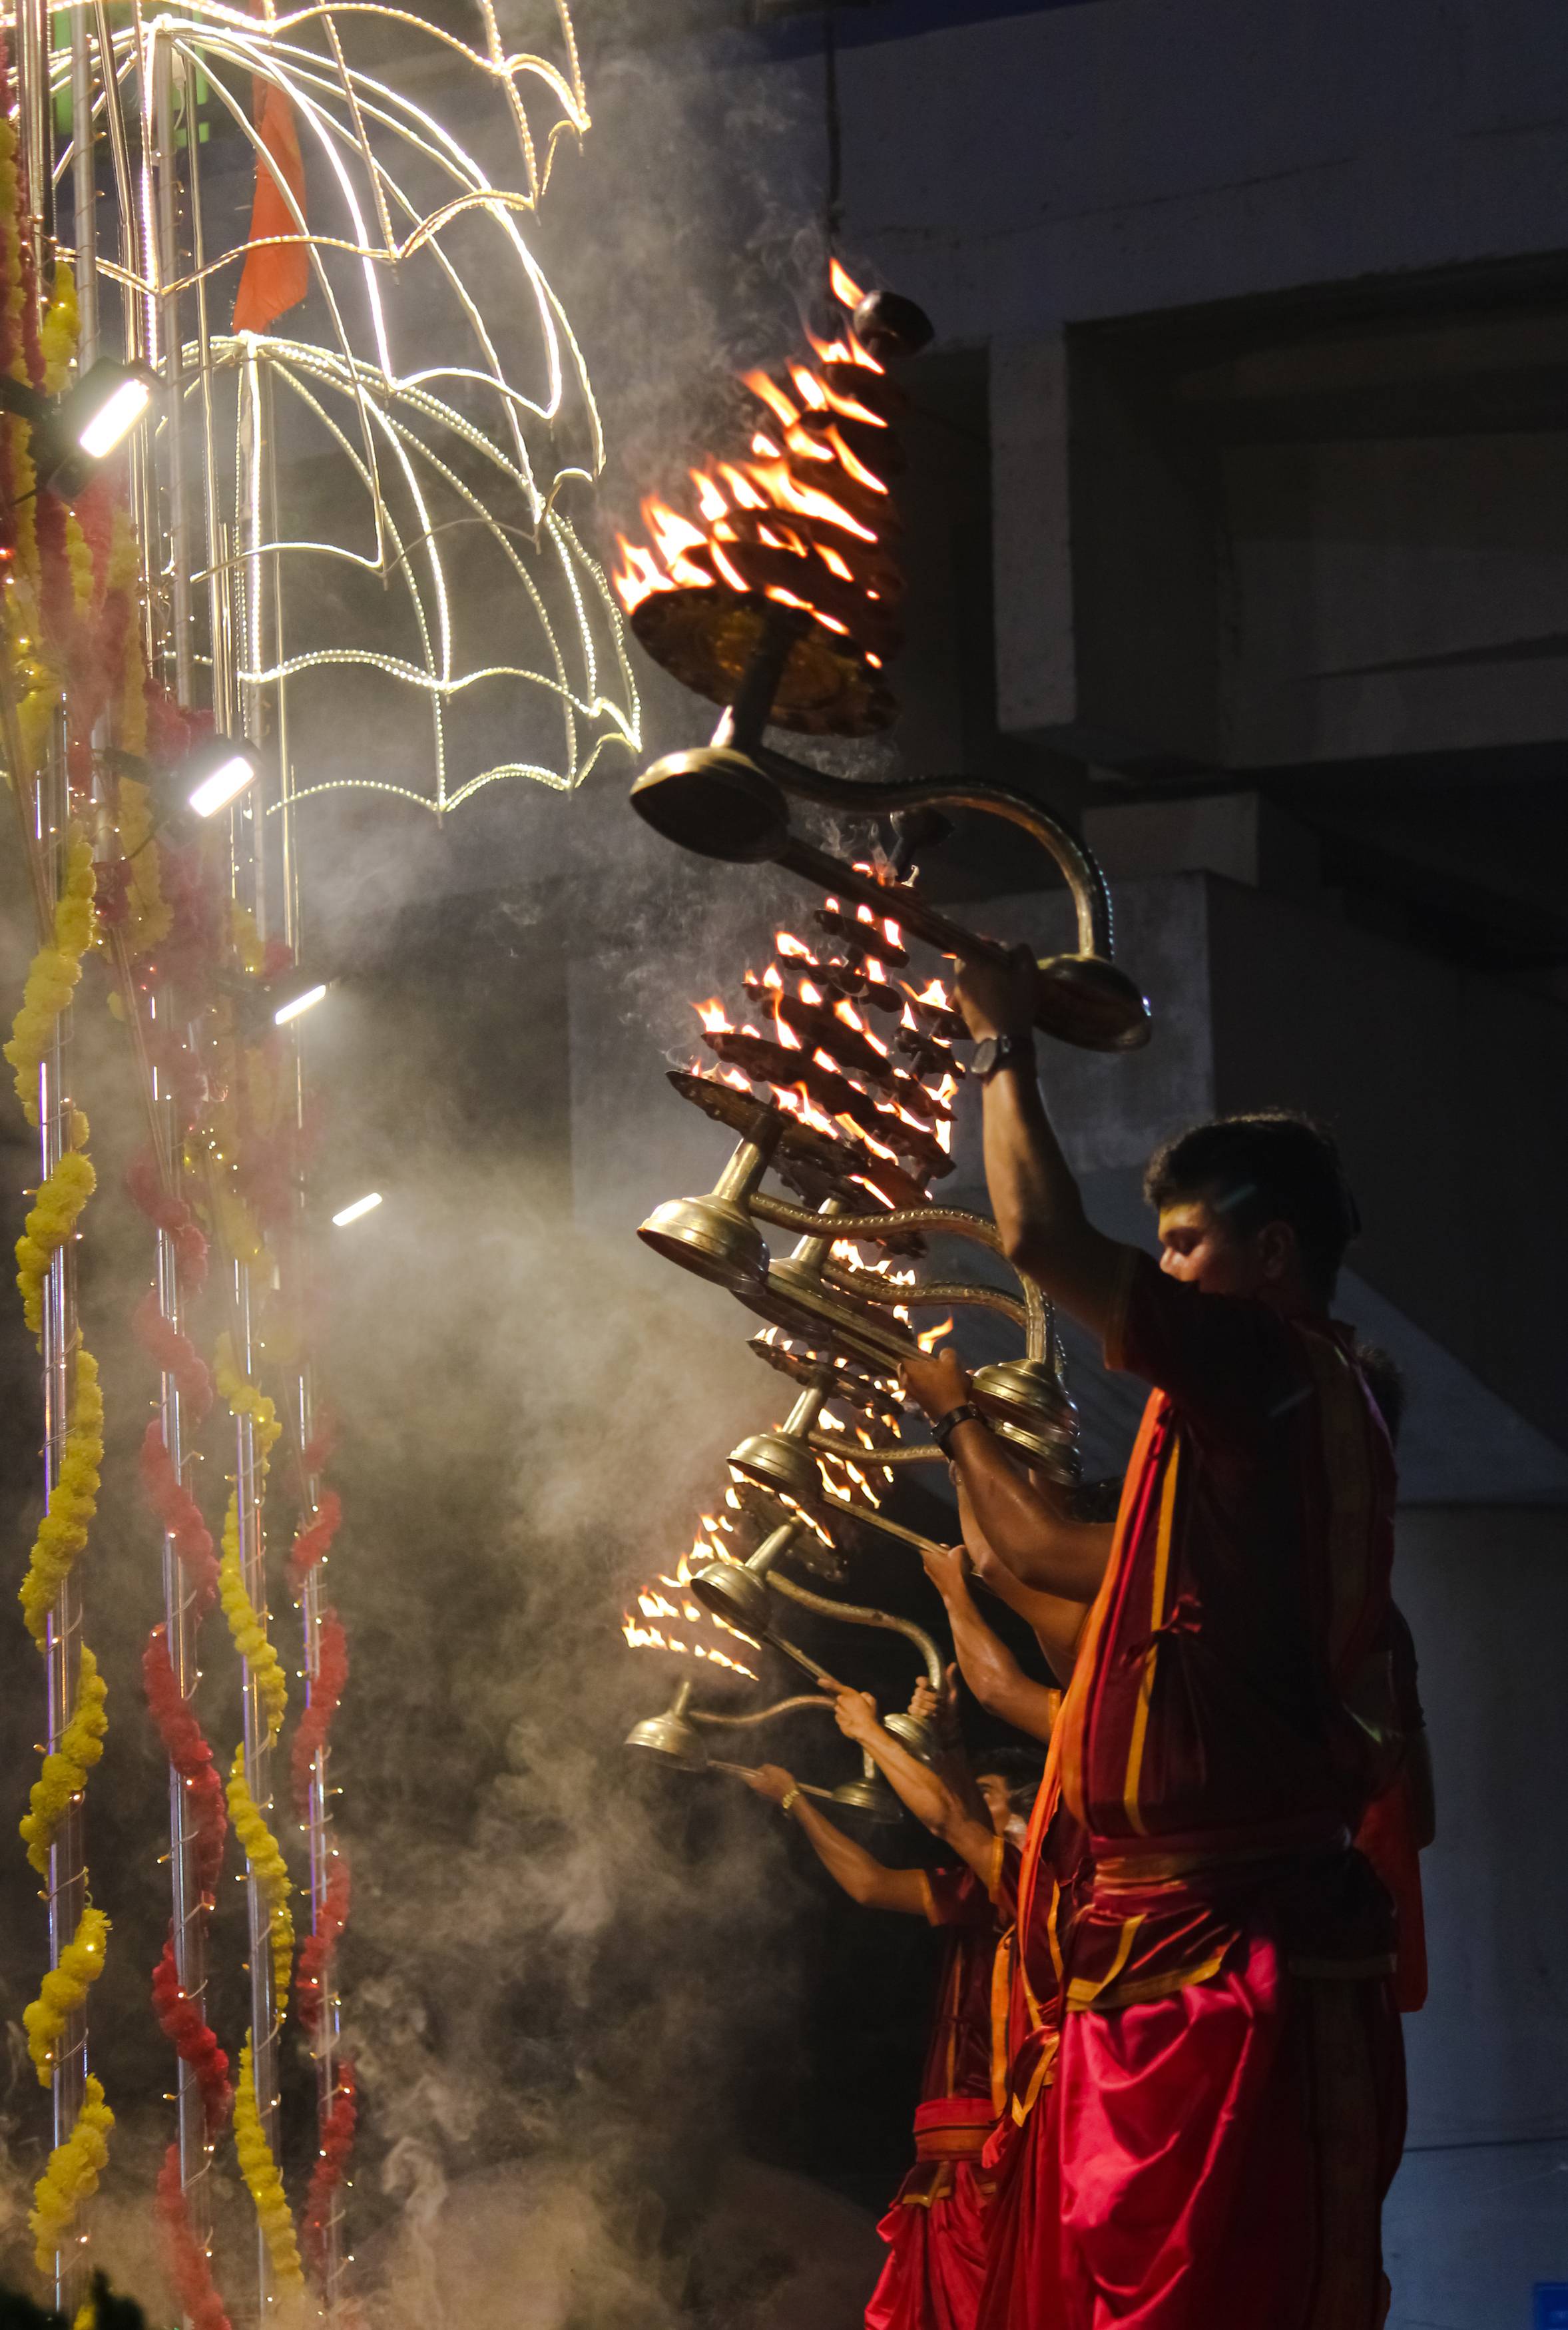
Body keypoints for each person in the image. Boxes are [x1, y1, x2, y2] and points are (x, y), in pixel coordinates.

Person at [914, 956, 1407, 2330]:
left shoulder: (1258, 1368)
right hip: (1170, 1940)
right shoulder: (1256, 1409)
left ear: (1269, 1257)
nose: (1169, 1275)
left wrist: (997, 1046)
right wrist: (957, 1433)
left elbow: (1035, 1238)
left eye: (1188, 1246)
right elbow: (1044, 1558)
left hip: (1217, 1956)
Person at [744, 1685, 1041, 2330]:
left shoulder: (1040, 1881)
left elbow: (948, 1818)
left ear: (1027, 1814)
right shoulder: (981, 1887)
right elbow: (870, 1882)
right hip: (947, 2155)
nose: (971, 1804)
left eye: (989, 1795)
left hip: (1000, 2151)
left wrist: (869, 1734)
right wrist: (795, 1800)